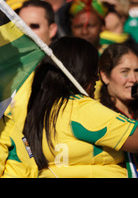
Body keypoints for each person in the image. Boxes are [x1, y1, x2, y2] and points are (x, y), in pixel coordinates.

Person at [23, 37, 138, 178]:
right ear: (79, 70)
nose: (97, 79)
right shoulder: (79, 108)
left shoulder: (40, 110)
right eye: (93, 70)